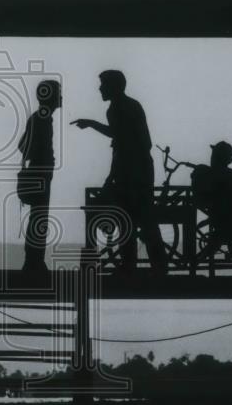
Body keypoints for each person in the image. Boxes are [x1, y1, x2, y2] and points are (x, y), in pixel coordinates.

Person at [71, 70, 166, 275]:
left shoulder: (116, 109)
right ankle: (159, 266)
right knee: (143, 220)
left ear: (113, 86)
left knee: (127, 221)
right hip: (141, 170)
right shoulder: (131, 105)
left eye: (103, 84)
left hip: (130, 173)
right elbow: (133, 141)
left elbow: (120, 138)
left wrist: (91, 124)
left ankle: (130, 266)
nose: (99, 88)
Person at [189, 141, 232, 278]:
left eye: (214, 154)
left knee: (219, 238)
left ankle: (194, 265)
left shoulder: (211, 174)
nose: (212, 157)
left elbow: (200, 196)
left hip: (224, 218)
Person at [17, 80, 62, 276]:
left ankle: (33, 261)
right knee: (39, 218)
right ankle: (34, 262)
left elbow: (22, 145)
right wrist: (43, 157)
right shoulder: (43, 118)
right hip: (40, 173)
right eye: (59, 93)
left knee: (38, 217)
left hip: (39, 171)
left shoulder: (39, 117)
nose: (61, 97)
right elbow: (25, 146)